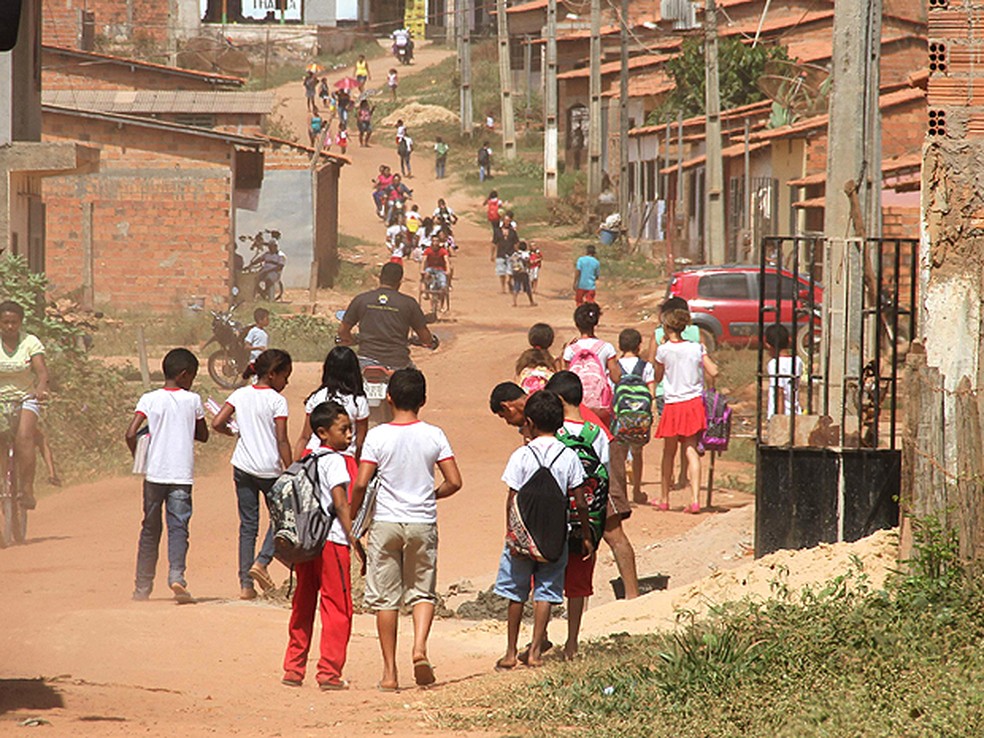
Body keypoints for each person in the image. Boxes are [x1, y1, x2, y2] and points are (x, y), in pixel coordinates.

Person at [350, 368, 462, 690]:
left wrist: (355, 518)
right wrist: (430, 495)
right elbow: (454, 481)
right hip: (422, 521)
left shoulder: (377, 436)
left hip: (385, 522)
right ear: (423, 400)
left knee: (385, 599)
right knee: (422, 591)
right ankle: (419, 649)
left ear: (388, 397)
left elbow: (360, 482)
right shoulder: (434, 435)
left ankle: (389, 673)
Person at [493, 390, 589, 671]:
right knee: (545, 591)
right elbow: (580, 500)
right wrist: (584, 534)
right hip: (555, 535)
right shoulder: (568, 455)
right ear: (560, 423)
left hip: (522, 537)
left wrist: (511, 531)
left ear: (530, 422)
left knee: (516, 592)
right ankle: (535, 651)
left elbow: (512, 496)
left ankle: (510, 652)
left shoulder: (522, 454)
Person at [281, 400, 360, 690]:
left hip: (306, 544)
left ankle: (293, 668)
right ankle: (329, 673)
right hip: (333, 541)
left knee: (302, 604)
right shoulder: (336, 461)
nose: (350, 435)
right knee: (338, 606)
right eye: (344, 429)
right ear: (324, 432)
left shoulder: (306, 459)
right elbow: (340, 502)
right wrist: (354, 537)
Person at [126, 348, 208, 603]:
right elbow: (203, 434)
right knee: (178, 527)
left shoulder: (149, 399)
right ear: (185, 375)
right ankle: (176, 577)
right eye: (192, 376)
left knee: (150, 529)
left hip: (154, 475)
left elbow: (130, 433)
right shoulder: (192, 400)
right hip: (181, 475)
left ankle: (142, 587)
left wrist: (141, 457)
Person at [211, 349, 293, 600]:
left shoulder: (240, 394)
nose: (286, 382)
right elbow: (281, 439)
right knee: (280, 518)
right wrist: (291, 472)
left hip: (243, 466)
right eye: (285, 377)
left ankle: (246, 585)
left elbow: (216, 423)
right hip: (269, 469)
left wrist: (234, 433)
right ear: (272, 374)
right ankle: (262, 561)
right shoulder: (277, 401)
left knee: (248, 525)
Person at [546, 372, 608, 661]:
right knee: (579, 585)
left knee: (545, 579)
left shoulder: (552, 435)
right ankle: (572, 642)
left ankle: (541, 637)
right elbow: (601, 479)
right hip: (587, 521)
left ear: (557, 400)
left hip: (555, 518)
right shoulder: (597, 434)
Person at [653, 308, 719, 513]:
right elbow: (714, 371)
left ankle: (664, 498)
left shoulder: (663, 350)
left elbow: (657, 376)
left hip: (673, 403)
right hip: (693, 403)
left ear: (667, 326)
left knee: (668, 452)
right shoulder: (696, 348)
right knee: (691, 450)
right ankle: (695, 500)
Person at [646, 296, 701, 493]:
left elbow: (653, 362)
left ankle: (665, 487)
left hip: (666, 394)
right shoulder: (695, 332)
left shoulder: (660, 333)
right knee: (689, 440)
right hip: (692, 393)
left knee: (670, 444)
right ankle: (683, 476)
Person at [338, 262, 435, 371]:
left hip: (365, 362)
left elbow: (342, 331)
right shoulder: (409, 303)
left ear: (380, 278)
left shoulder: (361, 300)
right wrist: (428, 341)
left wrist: (351, 339)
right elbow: (426, 338)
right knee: (414, 383)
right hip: (398, 363)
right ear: (399, 282)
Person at [0, 301, 49, 510]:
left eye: (14, 322)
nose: (10, 326)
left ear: (20, 322)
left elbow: (41, 371)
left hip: (26, 397)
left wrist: (40, 389)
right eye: (5, 322)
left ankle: (27, 488)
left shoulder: (30, 342)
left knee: (24, 437)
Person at [293, 346, 369, 462]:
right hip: (344, 458)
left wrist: (296, 467)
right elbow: (360, 442)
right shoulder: (358, 401)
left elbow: (305, 437)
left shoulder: (317, 397)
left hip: (314, 456)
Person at [610, 328, 656, 505]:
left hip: (620, 418)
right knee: (637, 453)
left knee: (619, 455)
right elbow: (651, 393)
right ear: (639, 345)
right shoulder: (646, 367)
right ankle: (637, 490)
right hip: (640, 419)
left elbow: (612, 392)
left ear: (620, 345)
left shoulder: (615, 367)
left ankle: (622, 494)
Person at [561, 302, 620, 427]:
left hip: (577, 406)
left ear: (576, 324)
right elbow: (616, 377)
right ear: (596, 323)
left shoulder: (570, 350)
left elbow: (565, 377)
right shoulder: (606, 347)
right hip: (600, 405)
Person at [765, 323, 803, 420]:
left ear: (768, 345)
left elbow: (779, 393)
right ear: (789, 340)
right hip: (795, 414)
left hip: (781, 416)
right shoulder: (797, 361)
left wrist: (779, 420)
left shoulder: (774, 364)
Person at [491, 214, 518, 294]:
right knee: (501, 272)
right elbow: (494, 243)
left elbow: (516, 242)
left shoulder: (513, 232)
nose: (507, 222)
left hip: (511, 253)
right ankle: (503, 288)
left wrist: (517, 253)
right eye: (506, 220)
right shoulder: (497, 231)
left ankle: (509, 282)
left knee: (511, 272)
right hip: (500, 253)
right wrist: (492, 254)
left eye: (509, 221)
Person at [508, 241, 536, 308]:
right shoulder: (526, 254)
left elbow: (511, 262)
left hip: (516, 272)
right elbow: (528, 262)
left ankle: (514, 302)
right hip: (524, 272)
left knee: (516, 286)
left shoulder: (515, 254)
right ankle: (531, 302)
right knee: (527, 287)